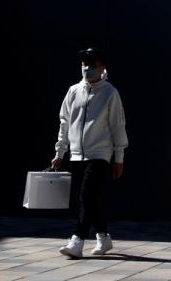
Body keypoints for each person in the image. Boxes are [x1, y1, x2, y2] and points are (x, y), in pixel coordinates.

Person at [50, 47, 128, 259]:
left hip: (100, 154)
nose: (87, 68)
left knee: (86, 196)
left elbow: (118, 126)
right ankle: (104, 237)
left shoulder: (110, 93)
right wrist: (60, 152)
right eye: (84, 64)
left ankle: (77, 240)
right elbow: (64, 122)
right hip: (76, 154)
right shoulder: (73, 91)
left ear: (103, 67)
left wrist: (118, 158)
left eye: (92, 64)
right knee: (90, 200)